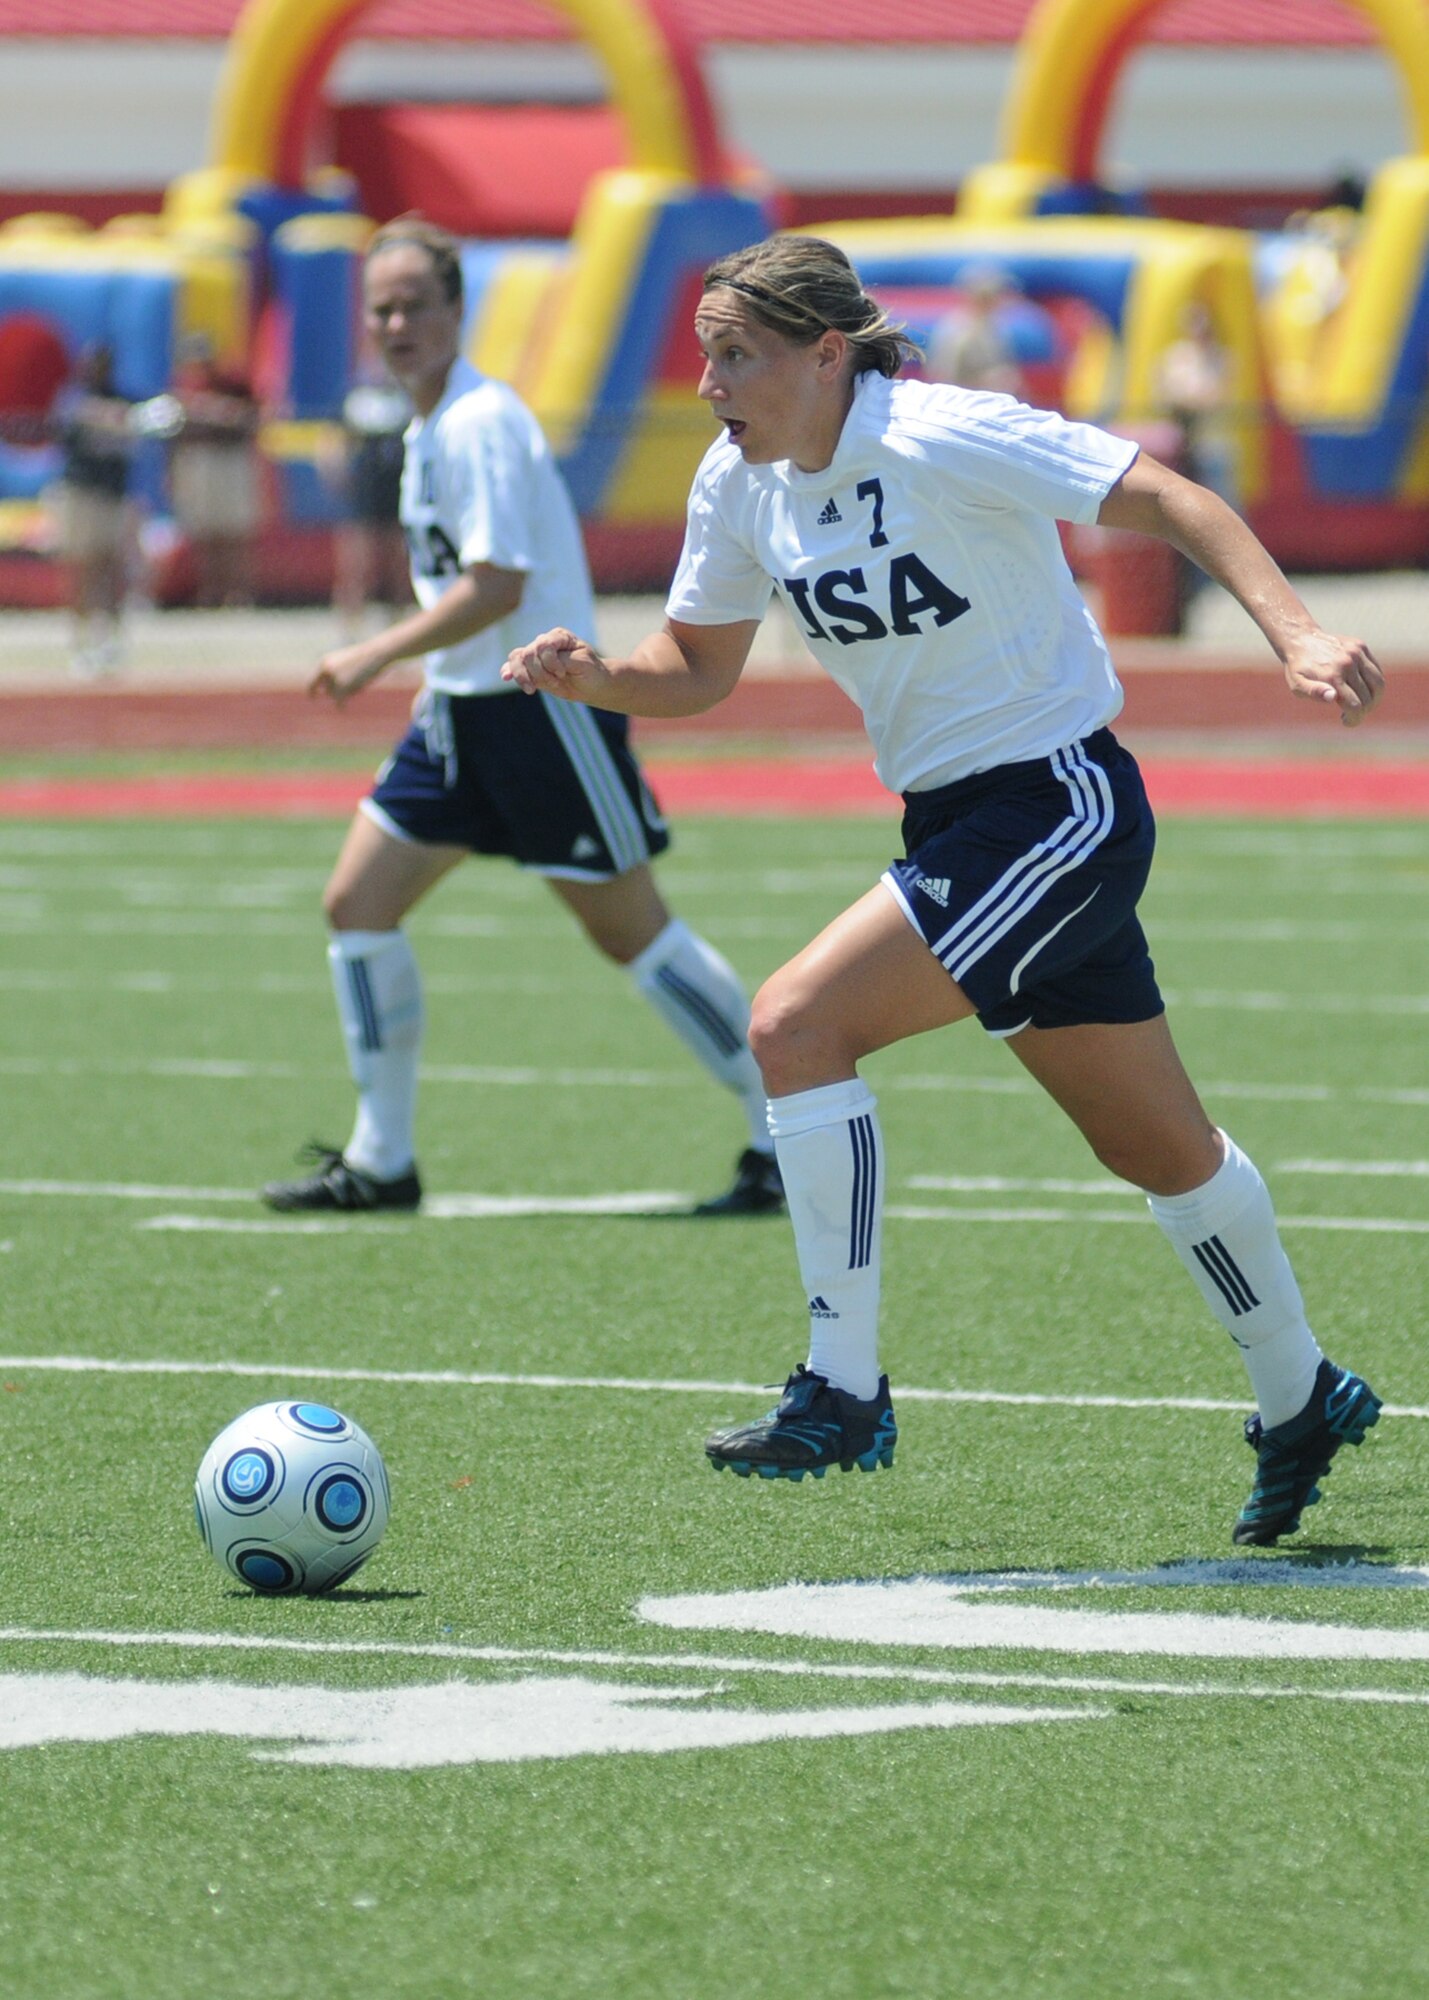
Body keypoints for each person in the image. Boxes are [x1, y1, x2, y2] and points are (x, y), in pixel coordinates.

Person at [504, 233, 1386, 1547]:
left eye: (732, 355)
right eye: (703, 357)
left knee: (795, 1024)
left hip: (1058, 804)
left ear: (823, 354)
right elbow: (694, 664)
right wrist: (599, 679)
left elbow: (1171, 499)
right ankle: (1301, 1392)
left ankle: (842, 1389)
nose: (708, 385)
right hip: (957, 824)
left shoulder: (938, 433)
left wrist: (1299, 633)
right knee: (1155, 1150)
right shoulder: (738, 483)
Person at [260, 216, 781, 1220]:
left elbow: (498, 585)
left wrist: (373, 650)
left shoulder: (478, 420)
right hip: (456, 714)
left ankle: (777, 1128)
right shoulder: (423, 424)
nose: (399, 320)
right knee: (355, 907)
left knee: (634, 934)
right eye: (383, 306)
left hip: (540, 709)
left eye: (417, 302)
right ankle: (381, 1159)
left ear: (458, 310)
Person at [52, 342, 134, 676]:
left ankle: (110, 639)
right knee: (82, 567)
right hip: (81, 492)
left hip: (111, 495)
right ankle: (80, 640)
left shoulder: (124, 399)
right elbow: (68, 429)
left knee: (110, 565)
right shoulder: (74, 400)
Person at [168, 341, 262, 608]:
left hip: (229, 459)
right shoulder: (183, 389)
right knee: (205, 533)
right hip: (199, 461)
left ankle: (238, 593)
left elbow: (253, 417)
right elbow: (175, 431)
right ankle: (210, 593)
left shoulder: (232, 384)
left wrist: (219, 412)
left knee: (233, 530)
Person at [326, 372, 412, 639]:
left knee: (399, 564)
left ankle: (397, 627)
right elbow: (335, 439)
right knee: (356, 563)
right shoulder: (357, 398)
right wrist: (335, 471)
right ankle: (349, 627)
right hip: (365, 492)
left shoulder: (406, 397)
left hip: (397, 490)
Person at [925, 265, 1026, 397]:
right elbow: (944, 378)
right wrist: (987, 383)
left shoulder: (995, 326)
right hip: (966, 405)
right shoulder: (956, 330)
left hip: (993, 403)